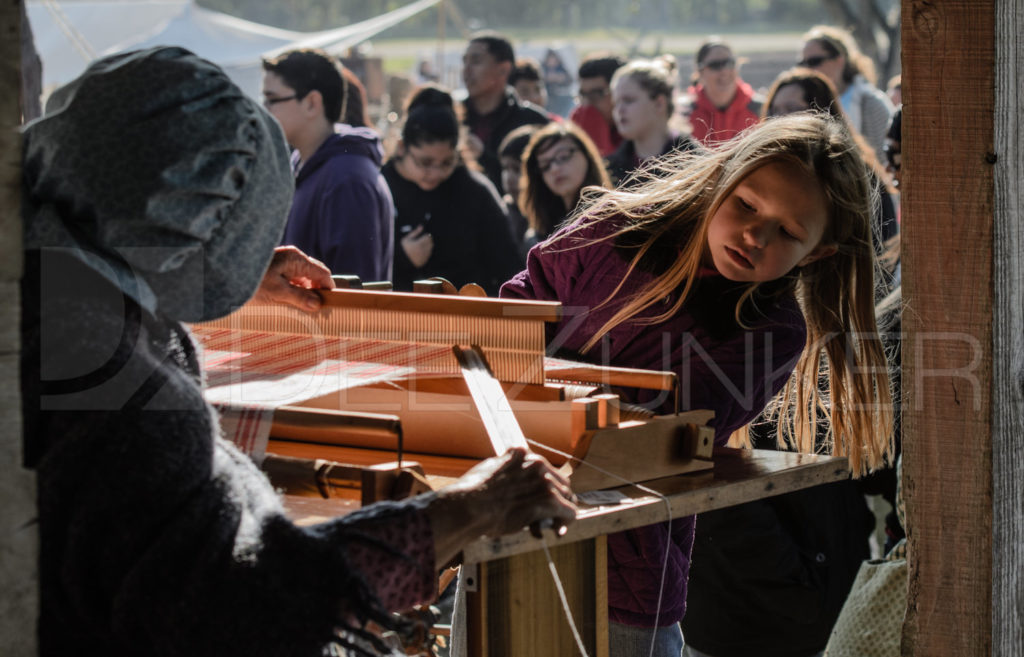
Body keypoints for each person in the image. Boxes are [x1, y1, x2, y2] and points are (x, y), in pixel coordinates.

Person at [21, 46, 577, 657]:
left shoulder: (38, 280)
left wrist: (220, 269)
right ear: (194, 222)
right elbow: (243, 605)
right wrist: (464, 511)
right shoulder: (110, 379)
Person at [502, 113, 894, 656]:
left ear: (819, 253)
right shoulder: (611, 227)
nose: (756, 235)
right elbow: (515, 316)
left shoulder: (772, 332)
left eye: (789, 232)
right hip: (503, 539)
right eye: (747, 205)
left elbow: (660, 431)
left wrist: (543, 373)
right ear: (720, 179)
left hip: (624, 580)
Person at [262, 49, 394, 282]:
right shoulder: (306, 166)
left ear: (312, 103)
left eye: (273, 100)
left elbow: (352, 294)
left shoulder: (347, 179)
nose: (265, 110)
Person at [383, 84, 522, 294]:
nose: (436, 173)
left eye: (447, 162)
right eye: (425, 162)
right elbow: (357, 264)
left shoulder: (475, 191)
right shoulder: (380, 187)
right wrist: (401, 257)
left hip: (469, 316)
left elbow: (509, 268)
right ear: (402, 147)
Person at [762, 67, 899, 256]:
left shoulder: (856, 175)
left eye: (791, 108)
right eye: (774, 110)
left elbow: (883, 250)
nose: (778, 119)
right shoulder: (762, 172)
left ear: (818, 111)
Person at [460, 31, 550, 194]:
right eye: (464, 61)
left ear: (503, 69)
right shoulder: (454, 118)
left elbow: (543, 184)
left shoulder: (533, 122)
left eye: (476, 61)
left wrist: (483, 157)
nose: (466, 71)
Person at [799, 25, 895, 163]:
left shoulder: (870, 102)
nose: (807, 69)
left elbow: (883, 160)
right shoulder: (801, 103)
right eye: (802, 63)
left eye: (814, 61)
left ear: (839, 60)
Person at [607, 55, 700, 187]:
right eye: (615, 103)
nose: (619, 110)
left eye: (628, 100)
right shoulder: (607, 171)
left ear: (659, 104)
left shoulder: (697, 163)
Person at [518, 121, 611, 252]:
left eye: (563, 156)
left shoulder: (612, 215)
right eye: (545, 165)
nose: (554, 169)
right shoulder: (538, 236)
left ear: (586, 155)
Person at [683, 38, 762, 145]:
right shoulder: (684, 114)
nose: (724, 71)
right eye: (715, 65)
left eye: (729, 63)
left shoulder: (761, 111)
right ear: (700, 72)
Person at [498, 124, 543, 257]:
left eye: (517, 169)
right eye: (505, 168)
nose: (509, 178)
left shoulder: (546, 215)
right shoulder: (503, 212)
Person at [569, 53, 626, 157]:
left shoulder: (640, 133)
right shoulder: (578, 119)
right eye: (582, 95)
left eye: (595, 94)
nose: (586, 104)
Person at [541, 48, 575, 117]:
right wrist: (547, 79)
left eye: (554, 59)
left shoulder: (561, 68)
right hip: (547, 96)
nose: (552, 61)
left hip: (560, 97)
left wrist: (561, 78)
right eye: (550, 59)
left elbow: (570, 80)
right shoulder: (542, 68)